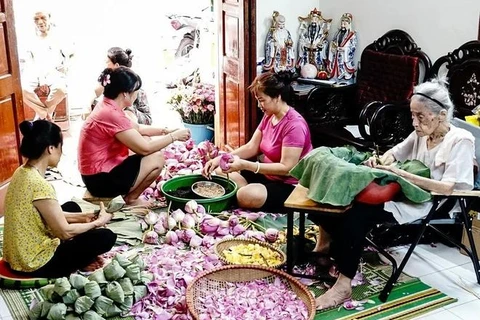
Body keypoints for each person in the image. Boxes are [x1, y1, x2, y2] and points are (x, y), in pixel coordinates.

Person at [312, 77, 475, 310]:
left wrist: (400, 174)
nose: (414, 122)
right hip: (403, 192)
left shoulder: (460, 140)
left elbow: (448, 187)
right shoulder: (420, 133)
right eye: (412, 115)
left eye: (420, 116)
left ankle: (344, 285)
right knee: (339, 201)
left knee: (357, 216)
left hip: (433, 202)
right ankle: (332, 249)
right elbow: (395, 153)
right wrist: (380, 161)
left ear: (440, 115)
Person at [3, 120, 116, 278]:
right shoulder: (40, 185)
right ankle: (80, 261)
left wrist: (83, 217)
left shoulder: (21, 172)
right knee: (106, 237)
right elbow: (64, 232)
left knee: (72, 207)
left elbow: (46, 214)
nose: (61, 152)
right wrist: (97, 223)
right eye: (60, 147)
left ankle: (81, 258)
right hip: (34, 264)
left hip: (17, 257)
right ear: (50, 148)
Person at [78, 67, 191, 206]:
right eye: (136, 90)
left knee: (146, 140)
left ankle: (129, 195)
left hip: (97, 172)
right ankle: (131, 199)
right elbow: (145, 149)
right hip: (99, 181)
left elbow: (138, 128)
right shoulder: (110, 113)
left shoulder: (107, 105)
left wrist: (166, 131)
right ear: (125, 94)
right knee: (156, 158)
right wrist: (174, 137)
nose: (137, 94)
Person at [202, 72, 313, 211]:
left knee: (246, 194)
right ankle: (244, 194)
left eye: (262, 100)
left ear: (277, 97)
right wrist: (220, 158)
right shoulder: (269, 116)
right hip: (267, 176)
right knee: (220, 170)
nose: (259, 105)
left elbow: (287, 169)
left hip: (290, 186)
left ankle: (244, 195)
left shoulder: (295, 125)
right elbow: (251, 147)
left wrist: (246, 165)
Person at [20, 11, 72, 121]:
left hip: (54, 71)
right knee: (21, 89)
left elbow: (70, 55)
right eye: (36, 19)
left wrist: (66, 67)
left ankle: (41, 115)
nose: (40, 22)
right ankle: (46, 115)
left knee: (61, 90)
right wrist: (41, 78)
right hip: (34, 71)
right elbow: (28, 60)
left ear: (49, 18)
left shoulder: (59, 36)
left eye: (43, 18)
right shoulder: (29, 38)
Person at [93, 47, 152, 125]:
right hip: (123, 118)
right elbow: (94, 93)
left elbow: (128, 107)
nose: (105, 65)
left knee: (125, 109)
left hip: (138, 118)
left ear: (117, 65)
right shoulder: (108, 80)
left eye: (107, 62)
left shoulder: (131, 82)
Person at [297, 8, 331, 73]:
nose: (313, 20)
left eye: (315, 19)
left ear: (318, 20)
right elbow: (302, 39)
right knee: (306, 69)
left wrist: (320, 44)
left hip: (317, 51)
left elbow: (325, 42)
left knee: (318, 67)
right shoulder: (306, 29)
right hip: (307, 51)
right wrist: (305, 44)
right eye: (312, 19)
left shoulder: (321, 31)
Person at [326, 13, 357, 84]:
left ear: (349, 24)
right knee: (335, 66)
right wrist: (333, 45)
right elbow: (333, 41)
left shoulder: (352, 35)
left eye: (345, 24)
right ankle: (335, 76)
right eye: (342, 23)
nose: (342, 26)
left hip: (343, 56)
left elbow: (352, 47)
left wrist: (345, 49)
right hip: (336, 54)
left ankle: (344, 76)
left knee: (343, 67)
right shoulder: (337, 33)